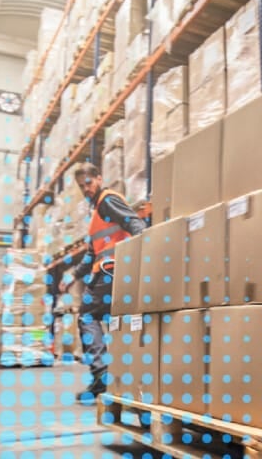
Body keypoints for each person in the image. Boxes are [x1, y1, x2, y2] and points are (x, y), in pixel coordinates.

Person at [59, 162, 146, 404]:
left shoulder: (107, 200)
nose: (85, 189)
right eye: (81, 186)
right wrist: (72, 277)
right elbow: (90, 254)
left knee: (87, 317)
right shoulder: (96, 212)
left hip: (111, 271)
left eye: (88, 183)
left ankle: (100, 376)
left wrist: (144, 256)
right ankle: (117, 379)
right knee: (115, 324)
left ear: (98, 178)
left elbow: (135, 224)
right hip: (108, 271)